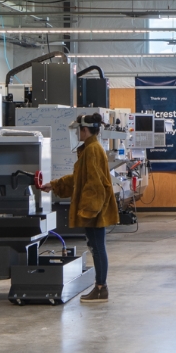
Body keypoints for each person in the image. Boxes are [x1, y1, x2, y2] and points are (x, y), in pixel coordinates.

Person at [41, 113, 119, 303]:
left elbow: (95, 184)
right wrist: (55, 184)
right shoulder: (90, 149)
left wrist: (88, 211)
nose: (77, 134)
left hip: (94, 210)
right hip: (94, 209)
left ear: (85, 130)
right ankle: (100, 287)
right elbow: (78, 178)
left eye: (79, 130)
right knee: (95, 246)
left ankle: (101, 288)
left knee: (98, 248)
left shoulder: (92, 150)